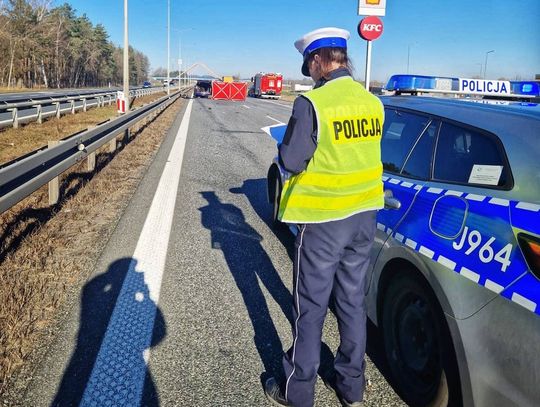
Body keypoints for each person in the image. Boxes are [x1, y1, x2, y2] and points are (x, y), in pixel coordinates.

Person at [264, 27, 385, 407]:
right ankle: (351, 386)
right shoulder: (372, 102)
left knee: (310, 306)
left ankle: (297, 389)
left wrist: (285, 150)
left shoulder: (312, 104)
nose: (309, 74)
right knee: (351, 303)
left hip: (323, 221)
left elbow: (292, 160)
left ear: (318, 61)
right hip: (365, 217)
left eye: (309, 66)